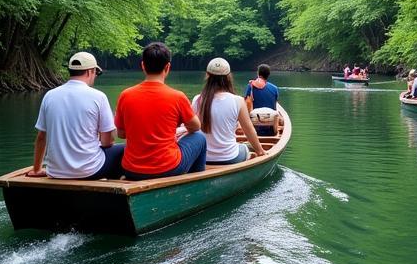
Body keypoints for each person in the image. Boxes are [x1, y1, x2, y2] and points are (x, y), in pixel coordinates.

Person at [115, 41, 206, 180]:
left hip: (131, 169)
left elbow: (121, 133)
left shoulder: (125, 95)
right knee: (199, 137)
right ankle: (198, 183)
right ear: (168, 67)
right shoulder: (177, 96)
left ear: (143, 66)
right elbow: (195, 127)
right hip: (168, 167)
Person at [26, 51, 125, 179]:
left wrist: (37, 169)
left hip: (55, 172)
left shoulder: (49, 96)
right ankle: (114, 191)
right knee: (125, 150)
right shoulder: (98, 97)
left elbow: (41, 138)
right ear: (90, 71)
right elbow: (108, 141)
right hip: (90, 170)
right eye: (96, 73)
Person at [193, 57, 266, 164]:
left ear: (207, 75)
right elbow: (249, 130)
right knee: (244, 148)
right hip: (229, 157)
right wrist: (260, 151)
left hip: (203, 158)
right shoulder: (238, 101)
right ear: (228, 77)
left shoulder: (197, 99)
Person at [245, 63, 280, 136]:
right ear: (268, 75)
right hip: (271, 130)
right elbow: (275, 106)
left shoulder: (250, 86)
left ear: (258, 73)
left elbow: (247, 106)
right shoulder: (275, 88)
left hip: (254, 130)